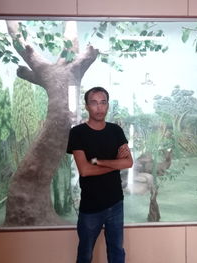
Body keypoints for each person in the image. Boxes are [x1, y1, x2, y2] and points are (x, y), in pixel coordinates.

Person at [67, 86, 133, 263]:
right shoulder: (77, 133)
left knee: (117, 252)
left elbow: (128, 162)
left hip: (116, 203)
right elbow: (85, 170)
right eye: (94, 103)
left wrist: (99, 161)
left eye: (103, 102)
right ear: (87, 106)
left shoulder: (115, 131)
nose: (99, 107)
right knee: (85, 255)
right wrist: (115, 164)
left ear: (108, 105)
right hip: (91, 207)